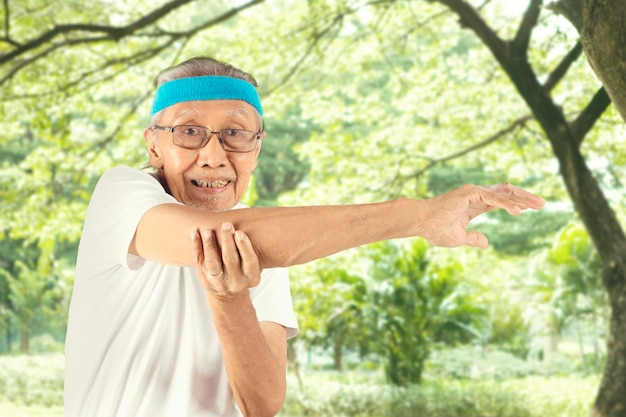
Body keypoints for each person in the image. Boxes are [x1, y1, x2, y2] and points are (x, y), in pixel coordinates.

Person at [64, 57, 545, 417]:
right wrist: (416, 216)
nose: (213, 156)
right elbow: (213, 238)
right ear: (154, 143)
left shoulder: (272, 241)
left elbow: (262, 403)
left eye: (235, 134)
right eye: (189, 132)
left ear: (257, 147)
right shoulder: (123, 193)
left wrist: (231, 302)